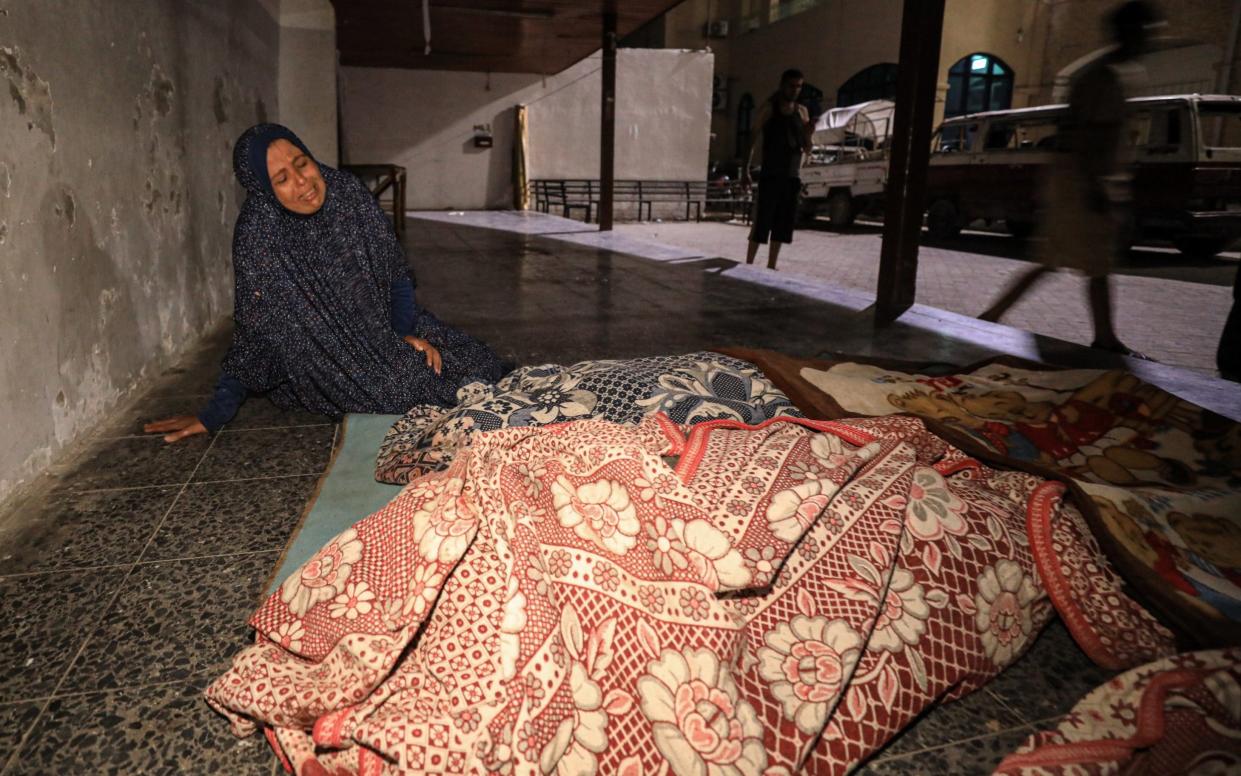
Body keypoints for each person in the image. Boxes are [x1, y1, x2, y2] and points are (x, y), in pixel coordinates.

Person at [145, 123, 506, 442]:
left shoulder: (346, 192)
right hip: (325, 353)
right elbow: (255, 329)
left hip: (382, 323)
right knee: (403, 388)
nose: (302, 181)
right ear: (263, 188)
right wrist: (216, 412)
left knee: (478, 362)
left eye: (301, 163)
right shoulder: (258, 233)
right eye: (281, 179)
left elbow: (395, 274)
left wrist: (402, 334)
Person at [979, 1, 1159, 359]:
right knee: (1078, 261)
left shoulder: (1110, 74)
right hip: (1081, 180)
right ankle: (993, 316)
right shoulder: (1102, 77)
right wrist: (1097, 186)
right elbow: (1090, 136)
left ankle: (996, 316)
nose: (1149, 40)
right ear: (1129, 33)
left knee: (1083, 263)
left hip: (1083, 178)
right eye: (1145, 31)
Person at [743, 68, 813, 270]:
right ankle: (748, 263)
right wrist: (745, 170)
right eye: (791, 86)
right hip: (771, 172)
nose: (795, 90)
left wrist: (809, 135)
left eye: (799, 86)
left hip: (791, 175)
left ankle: (772, 264)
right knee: (762, 219)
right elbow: (752, 138)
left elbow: (807, 147)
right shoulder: (769, 108)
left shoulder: (802, 112)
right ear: (782, 85)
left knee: (783, 222)